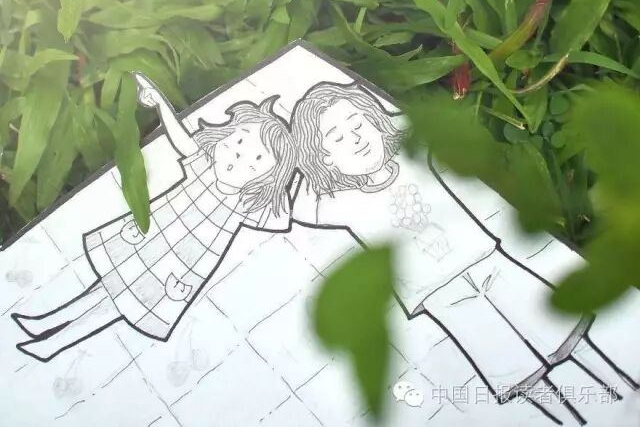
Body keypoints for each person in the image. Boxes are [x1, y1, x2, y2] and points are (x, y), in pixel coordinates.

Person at [291, 80, 637, 424]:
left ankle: (627, 390)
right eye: (337, 138)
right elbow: (303, 210)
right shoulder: (340, 206)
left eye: (358, 123)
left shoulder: (416, 155)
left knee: (567, 335)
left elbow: (417, 121)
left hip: (489, 261)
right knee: (521, 372)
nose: (355, 138)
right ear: (323, 158)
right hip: (443, 296)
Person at [12, 74, 295, 362]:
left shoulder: (246, 204)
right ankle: (48, 323)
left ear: (270, 176)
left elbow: (283, 218)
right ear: (223, 135)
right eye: (238, 141)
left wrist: (293, 171)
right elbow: (181, 139)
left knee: (122, 305)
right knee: (110, 283)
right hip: (154, 237)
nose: (239, 156)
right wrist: (159, 102)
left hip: (178, 267)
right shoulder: (204, 165)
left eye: (257, 160)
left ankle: (53, 344)